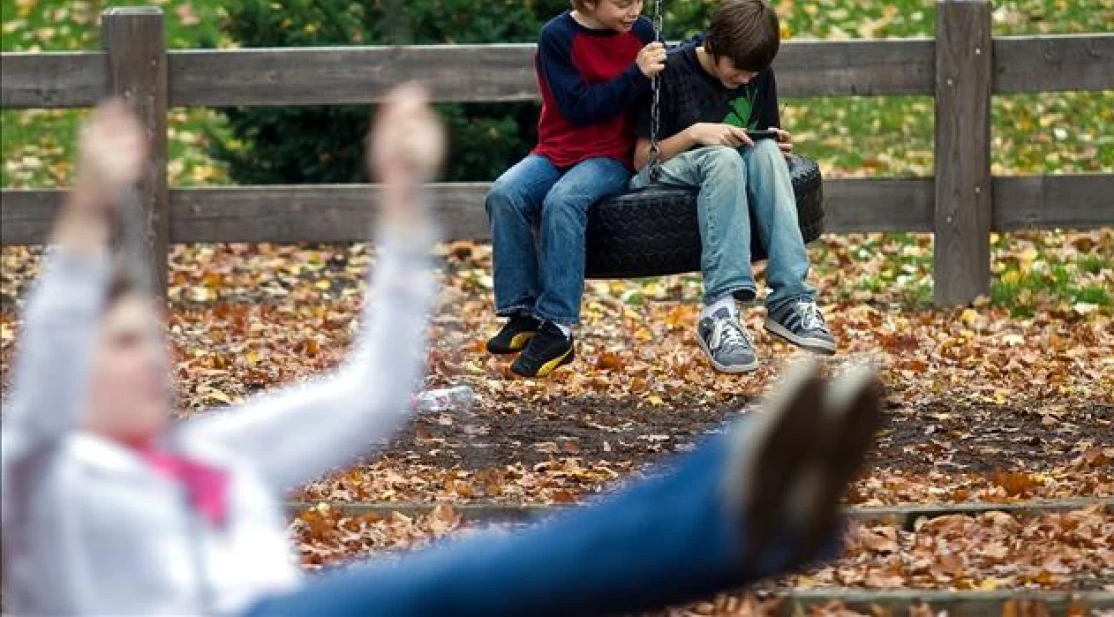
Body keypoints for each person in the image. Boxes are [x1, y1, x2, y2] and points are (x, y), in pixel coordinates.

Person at [0, 88, 885, 617]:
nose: (154, 361)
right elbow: (45, 370)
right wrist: (86, 203)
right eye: (124, 344)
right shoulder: (40, 473)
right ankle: (735, 503)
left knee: (485, 576)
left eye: (153, 338)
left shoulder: (209, 454)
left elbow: (371, 392)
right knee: (448, 581)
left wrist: (401, 198)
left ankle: (755, 498)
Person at [484, 0, 665, 378]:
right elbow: (579, 107)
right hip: (558, 149)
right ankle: (522, 311)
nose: (634, 11)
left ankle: (559, 327)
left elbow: (659, 92)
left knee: (563, 202)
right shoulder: (557, 38)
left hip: (611, 156)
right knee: (504, 193)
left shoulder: (641, 34)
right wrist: (634, 74)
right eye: (622, 3)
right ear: (588, 0)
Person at [631, 0, 834, 375]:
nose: (744, 79)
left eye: (753, 74)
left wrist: (776, 145)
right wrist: (696, 133)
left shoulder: (757, 72)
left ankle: (790, 298)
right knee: (722, 158)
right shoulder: (671, 70)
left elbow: (762, 139)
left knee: (767, 152)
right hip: (667, 170)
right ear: (714, 45)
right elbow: (643, 159)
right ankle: (720, 311)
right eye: (738, 70)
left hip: (728, 173)